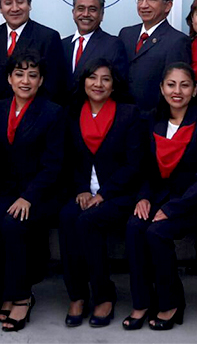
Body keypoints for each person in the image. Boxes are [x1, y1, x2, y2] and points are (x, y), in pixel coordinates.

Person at [124, 62, 197, 331]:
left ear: (195, 89)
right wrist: (142, 197)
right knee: (133, 227)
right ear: (162, 88)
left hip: (194, 202)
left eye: (185, 85)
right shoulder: (152, 119)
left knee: (157, 232)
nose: (177, 91)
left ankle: (171, 302)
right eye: (171, 84)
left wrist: (174, 208)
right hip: (158, 197)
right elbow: (145, 167)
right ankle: (142, 301)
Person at [0, 49, 65, 332]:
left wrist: (29, 196)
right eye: (19, 74)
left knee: (13, 225)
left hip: (41, 192)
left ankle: (21, 296)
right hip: (6, 190)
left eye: (32, 75)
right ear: (9, 78)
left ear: (41, 81)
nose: (25, 80)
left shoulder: (53, 112)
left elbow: (54, 165)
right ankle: (4, 290)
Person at [58, 59, 144, 328]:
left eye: (105, 79)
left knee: (87, 220)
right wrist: (82, 189)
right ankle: (77, 295)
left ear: (114, 84)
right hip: (85, 192)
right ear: (83, 82)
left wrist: (104, 193)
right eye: (92, 78)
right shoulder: (72, 114)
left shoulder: (128, 114)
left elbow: (134, 164)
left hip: (118, 194)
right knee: (66, 218)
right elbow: (69, 160)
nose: (98, 84)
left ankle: (104, 295)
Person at [0, 0, 68, 103]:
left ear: (29, 4)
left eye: (20, 2)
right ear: (0, 8)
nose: (15, 8)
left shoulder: (48, 37)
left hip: (35, 115)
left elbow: (54, 86)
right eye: (8, 3)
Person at [118, 0, 189, 110]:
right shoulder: (126, 34)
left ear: (167, 5)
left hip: (152, 118)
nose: (144, 5)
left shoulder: (177, 41)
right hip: (122, 115)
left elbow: (174, 86)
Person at [62, 0, 128, 98]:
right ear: (73, 13)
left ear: (101, 15)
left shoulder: (113, 45)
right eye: (81, 9)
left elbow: (118, 86)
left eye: (92, 10)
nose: (86, 14)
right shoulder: (63, 45)